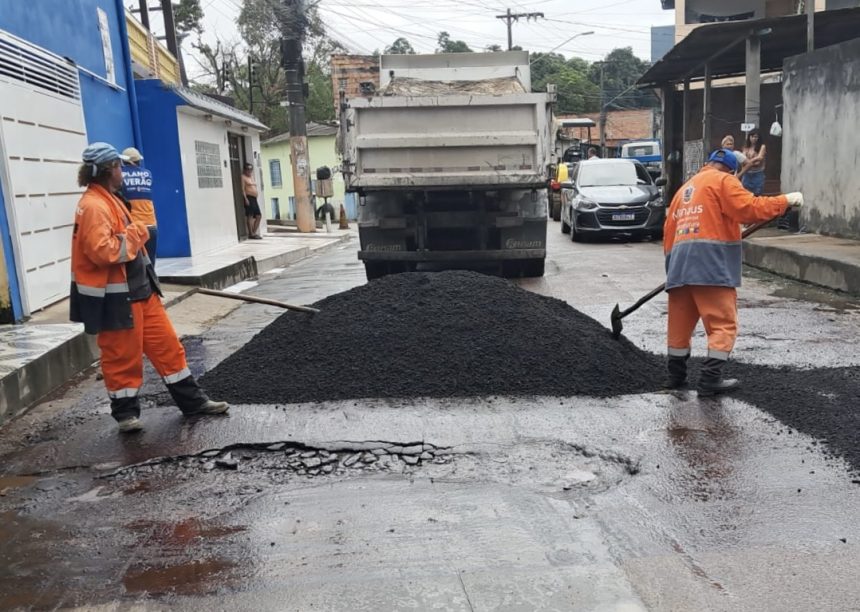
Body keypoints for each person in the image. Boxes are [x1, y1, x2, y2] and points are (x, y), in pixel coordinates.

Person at [71, 142, 229, 433]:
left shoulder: (111, 199)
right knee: (121, 357)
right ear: (109, 170)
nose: (123, 171)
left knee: (170, 349)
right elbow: (103, 252)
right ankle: (126, 415)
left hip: (142, 292)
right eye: (119, 166)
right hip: (119, 298)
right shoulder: (94, 206)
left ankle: (194, 402)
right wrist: (136, 233)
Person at [663, 148, 803, 396]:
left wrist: (671, 270)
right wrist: (784, 201)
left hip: (679, 268)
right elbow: (749, 208)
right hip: (711, 266)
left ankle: (676, 377)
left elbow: (668, 233)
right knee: (722, 323)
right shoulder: (723, 181)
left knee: (679, 325)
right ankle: (710, 379)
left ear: (709, 163)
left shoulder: (684, 190)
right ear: (732, 170)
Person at [120, 147, 159, 266]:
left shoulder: (120, 175)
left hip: (133, 227)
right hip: (150, 225)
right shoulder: (148, 174)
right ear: (138, 161)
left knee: (134, 268)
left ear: (123, 161)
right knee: (149, 266)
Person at [740, 129, 766, 196]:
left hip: (757, 174)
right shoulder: (746, 147)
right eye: (752, 136)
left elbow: (759, 160)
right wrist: (753, 161)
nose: (754, 138)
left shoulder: (762, 147)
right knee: (745, 194)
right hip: (747, 174)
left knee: (757, 194)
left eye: (756, 137)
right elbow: (742, 159)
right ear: (749, 137)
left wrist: (748, 162)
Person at [242, 163, 262, 239]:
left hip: (254, 199)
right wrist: (245, 199)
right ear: (245, 170)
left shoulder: (252, 177)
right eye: (248, 169)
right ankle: (251, 233)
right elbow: (243, 189)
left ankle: (253, 233)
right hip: (249, 198)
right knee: (250, 216)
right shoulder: (243, 177)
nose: (249, 171)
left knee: (258, 216)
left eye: (251, 169)